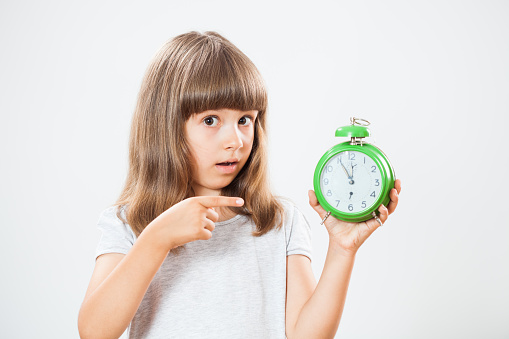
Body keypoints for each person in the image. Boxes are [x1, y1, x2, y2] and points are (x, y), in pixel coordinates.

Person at [78, 31, 401, 339]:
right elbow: (95, 331)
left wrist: (342, 251)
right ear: (164, 127)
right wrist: (156, 240)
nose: (235, 140)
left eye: (245, 119)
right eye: (210, 120)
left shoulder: (278, 220)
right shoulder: (129, 222)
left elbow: (306, 334)